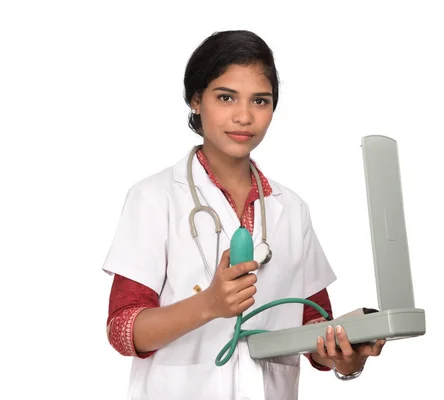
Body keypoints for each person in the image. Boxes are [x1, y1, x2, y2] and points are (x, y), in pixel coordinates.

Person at [102, 30, 386, 400]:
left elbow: (311, 320)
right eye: (226, 97)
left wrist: (345, 359)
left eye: (260, 101)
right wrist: (209, 305)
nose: (244, 116)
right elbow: (123, 330)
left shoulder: (291, 208)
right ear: (196, 100)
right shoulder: (153, 197)